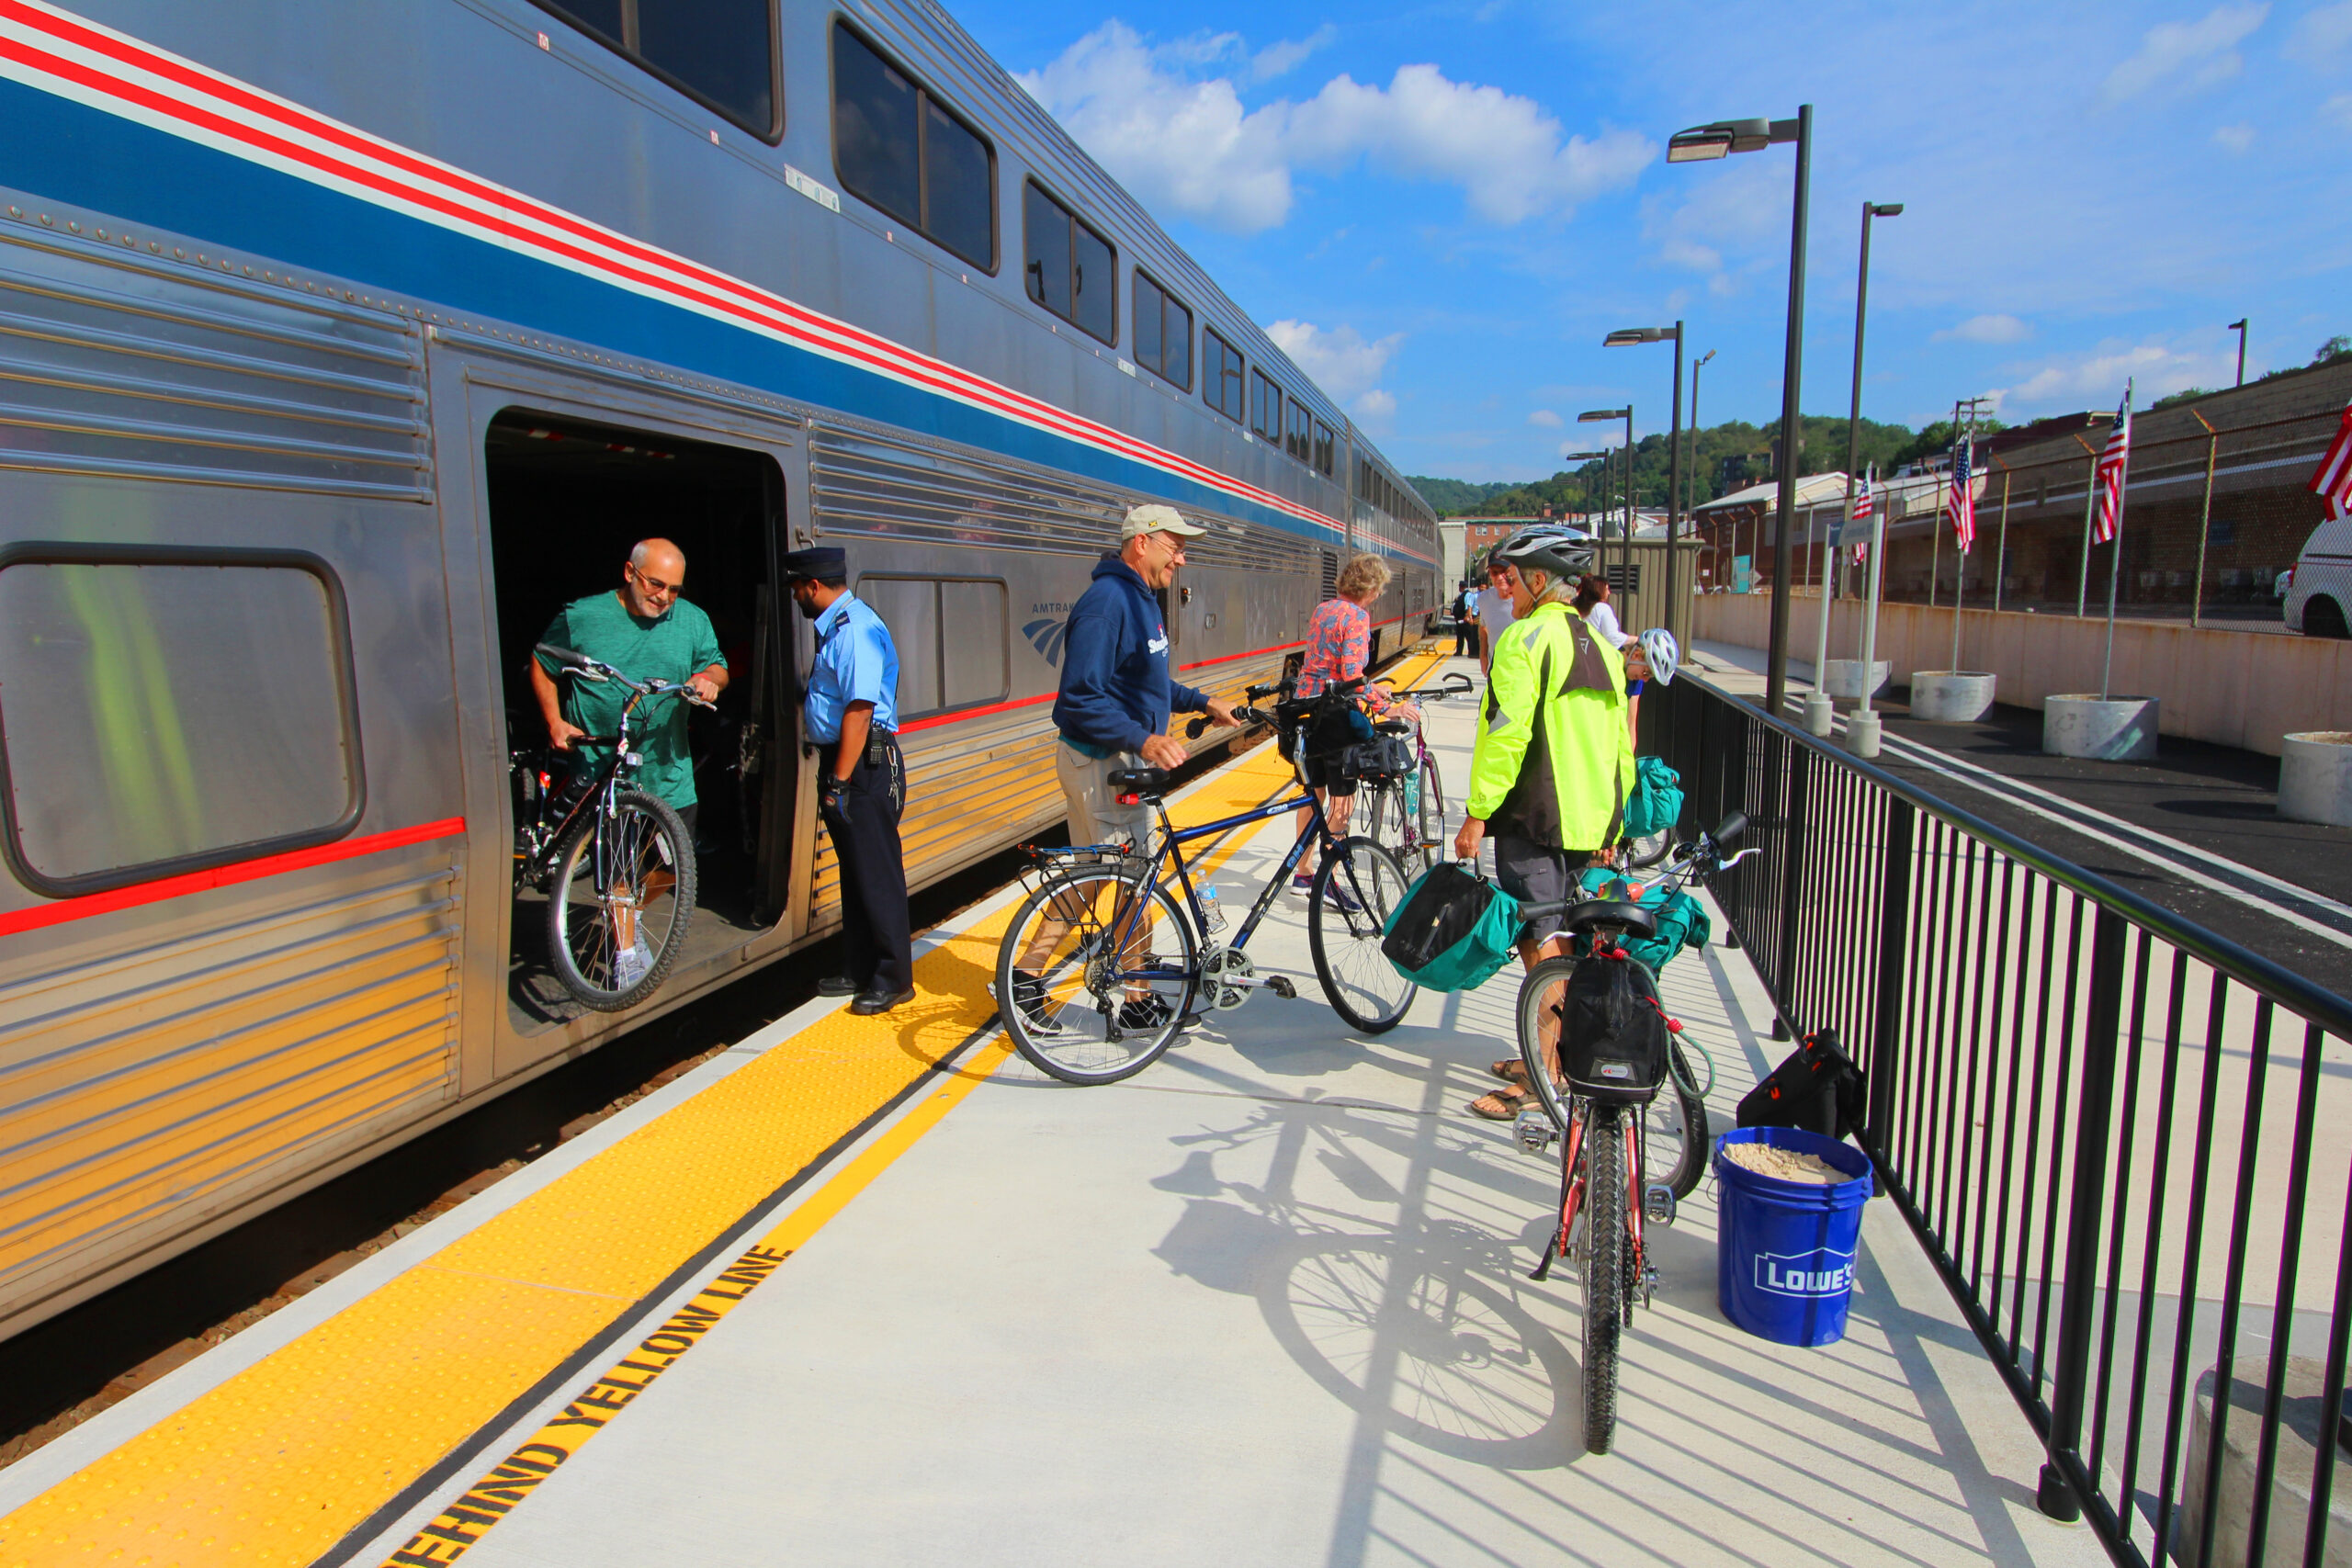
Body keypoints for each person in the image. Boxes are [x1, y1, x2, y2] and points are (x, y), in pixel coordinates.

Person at [1008, 503, 1239, 1034]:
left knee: (1095, 881)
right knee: (1135, 882)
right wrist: (1145, 739)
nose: (1181, 559)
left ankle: (1024, 979)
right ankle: (1135, 999)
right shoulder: (1108, 604)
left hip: (1110, 761)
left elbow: (1147, 682)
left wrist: (1205, 704)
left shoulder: (1141, 601)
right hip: (1102, 764)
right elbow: (1077, 699)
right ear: (1142, 542)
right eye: (1174, 546)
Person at [1452, 525, 1634, 1121]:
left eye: (1516, 576)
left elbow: (1506, 735)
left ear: (1538, 579)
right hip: (1588, 823)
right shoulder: (1603, 649)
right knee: (1563, 942)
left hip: (1533, 817)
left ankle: (1548, 1075)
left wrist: (1478, 813)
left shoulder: (1525, 640)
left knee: (1542, 945)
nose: (1508, 589)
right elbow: (1621, 747)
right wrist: (1615, 825)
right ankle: (1546, 1051)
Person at [784, 547, 913, 1017]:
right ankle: (860, 967)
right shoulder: (841, 626)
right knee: (856, 872)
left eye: (796, 588)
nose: (795, 597)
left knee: (877, 874)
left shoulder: (853, 630)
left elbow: (860, 709)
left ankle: (894, 978)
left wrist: (838, 782)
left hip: (862, 766)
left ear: (813, 586)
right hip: (849, 763)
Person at [532, 537, 728, 829]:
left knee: (672, 874)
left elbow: (717, 667)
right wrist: (554, 722)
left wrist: (708, 678)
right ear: (629, 572)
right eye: (656, 584)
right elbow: (542, 661)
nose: (664, 597)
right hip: (601, 777)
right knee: (614, 874)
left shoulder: (692, 619)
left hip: (670, 783)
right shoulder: (584, 617)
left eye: (674, 589)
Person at [1289, 554, 1419, 892]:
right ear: (1371, 588)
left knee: (1313, 794)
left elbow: (1327, 667)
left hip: (1307, 708)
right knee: (1342, 801)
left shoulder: (1324, 609)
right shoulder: (1357, 617)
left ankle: (1303, 871)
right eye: (1379, 590)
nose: (1378, 596)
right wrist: (1386, 707)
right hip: (1335, 716)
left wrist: (1376, 693)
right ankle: (1329, 879)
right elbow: (1351, 675)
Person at [1573, 574, 1645, 745]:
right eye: (1607, 588)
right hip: (1601, 666)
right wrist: (1636, 639)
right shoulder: (1602, 609)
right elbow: (1612, 637)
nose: (1609, 591)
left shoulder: (1577, 609)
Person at [1476, 555, 1518, 678]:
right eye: (1495, 573)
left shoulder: (1524, 598)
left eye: (1504, 572)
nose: (1499, 577)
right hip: (1495, 671)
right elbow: (1483, 627)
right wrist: (1483, 656)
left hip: (1520, 670)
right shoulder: (1484, 599)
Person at [1451, 581, 1477, 658]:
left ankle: (1471, 652)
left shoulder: (1468, 595)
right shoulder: (1461, 595)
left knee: (1468, 636)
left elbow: (1467, 606)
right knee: (1460, 636)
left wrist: (1467, 616)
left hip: (1465, 619)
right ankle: (1459, 651)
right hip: (1460, 620)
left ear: (1461, 587)